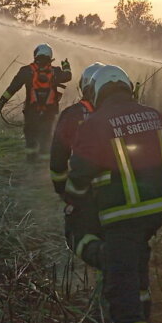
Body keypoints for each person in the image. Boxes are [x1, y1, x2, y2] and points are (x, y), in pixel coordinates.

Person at [65, 65, 162, 323]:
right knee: (135, 261)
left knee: (119, 282)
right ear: (128, 87)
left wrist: (73, 203)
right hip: (158, 211)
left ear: (96, 92)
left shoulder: (95, 123)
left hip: (121, 214)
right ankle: (143, 311)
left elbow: (80, 174)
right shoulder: (156, 116)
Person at [49, 62, 105, 269]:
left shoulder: (73, 115)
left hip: (87, 192)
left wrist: (64, 191)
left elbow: (57, 160)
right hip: (125, 192)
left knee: (77, 234)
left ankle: (106, 264)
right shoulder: (120, 115)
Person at [0, 44, 72, 162]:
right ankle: (44, 165)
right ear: (50, 56)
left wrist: (1, 101)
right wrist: (66, 66)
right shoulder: (55, 71)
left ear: (36, 54)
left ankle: (31, 163)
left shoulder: (26, 71)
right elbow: (68, 76)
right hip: (49, 112)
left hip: (31, 111)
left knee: (31, 137)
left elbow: (13, 88)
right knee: (46, 137)